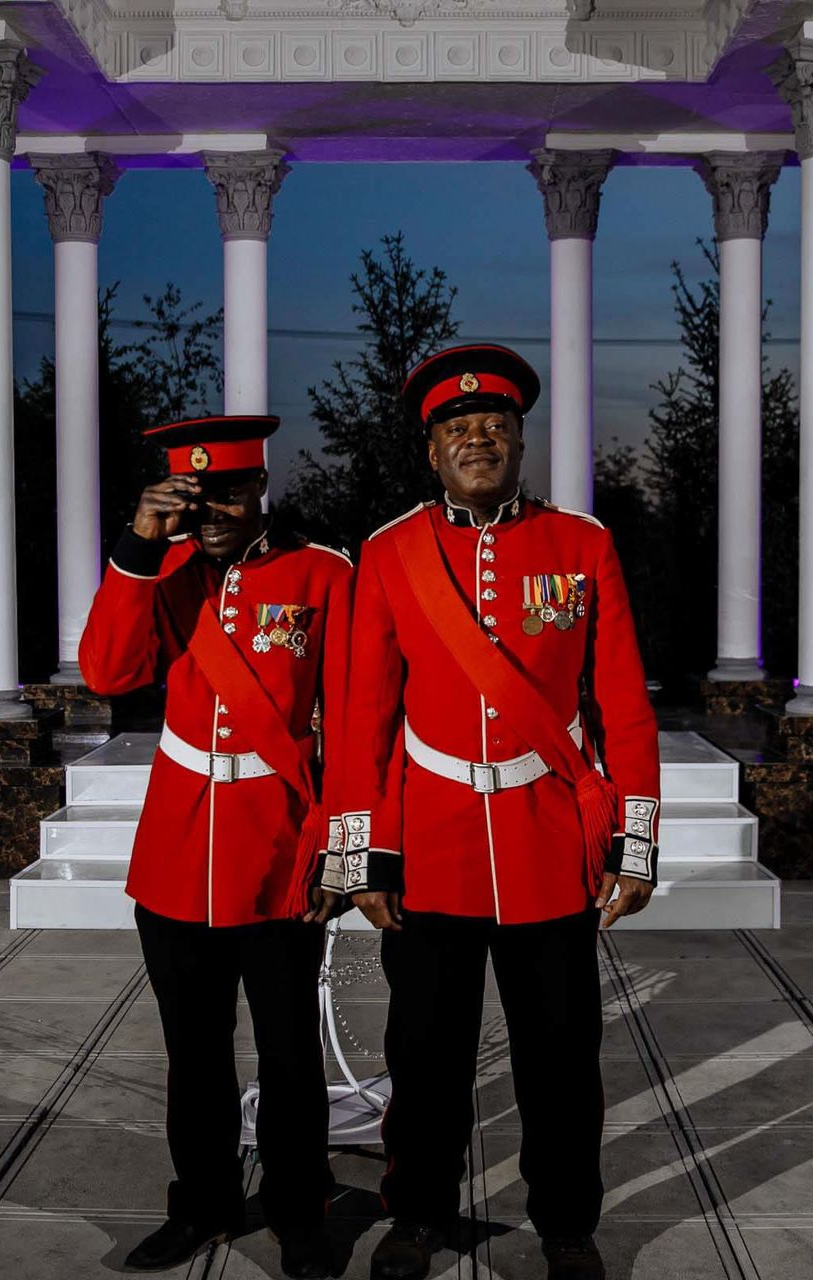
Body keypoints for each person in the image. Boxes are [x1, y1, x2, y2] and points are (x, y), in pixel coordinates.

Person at [331, 345, 662, 1280]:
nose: (477, 439)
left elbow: (623, 709)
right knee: (425, 1055)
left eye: (494, 426)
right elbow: (365, 719)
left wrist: (632, 846)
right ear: (431, 451)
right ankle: (419, 1214)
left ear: (519, 440)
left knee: (561, 1060)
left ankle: (567, 1223)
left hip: (549, 843)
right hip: (431, 846)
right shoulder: (391, 553)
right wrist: (364, 857)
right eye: (456, 429)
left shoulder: (581, 545)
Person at [79, 413, 352, 1279]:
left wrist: (338, 849)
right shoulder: (159, 572)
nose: (215, 508)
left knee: (289, 1052)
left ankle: (300, 1209)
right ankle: (202, 1203)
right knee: (193, 1052)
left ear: (261, 486)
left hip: (279, 846)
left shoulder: (320, 572)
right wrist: (135, 545)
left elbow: (349, 721)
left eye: (231, 489)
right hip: (177, 848)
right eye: (197, 493)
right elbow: (107, 674)